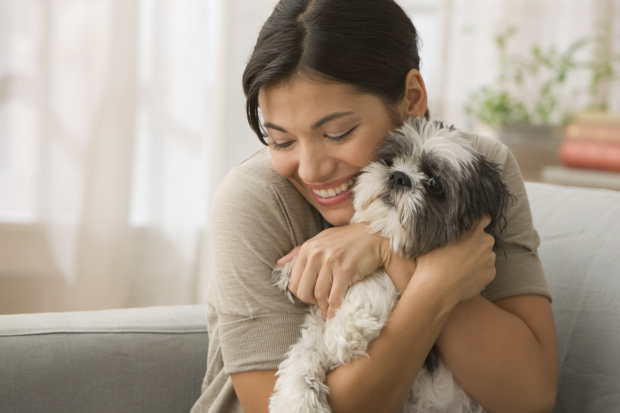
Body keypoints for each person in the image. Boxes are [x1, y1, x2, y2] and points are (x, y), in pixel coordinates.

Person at [190, 1, 558, 412]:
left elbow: (531, 396)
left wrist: (383, 246)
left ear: (413, 98)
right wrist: (431, 280)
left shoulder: (478, 172)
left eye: (338, 132)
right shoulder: (254, 199)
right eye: (281, 140)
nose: (311, 170)